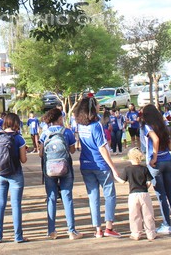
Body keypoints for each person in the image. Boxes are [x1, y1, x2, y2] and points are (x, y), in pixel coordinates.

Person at [74, 96, 122, 238]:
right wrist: (113, 167)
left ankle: (98, 229)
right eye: (97, 105)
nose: (99, 106)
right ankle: (109, 227)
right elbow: (102, 148)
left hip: (86, 164)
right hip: (100, 165)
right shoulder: (96, 126)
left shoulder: (80, 125)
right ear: (92, 108)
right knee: (109, 194)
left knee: (93, 197)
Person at [39, 107, 79, 240]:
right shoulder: (67, 132)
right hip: (65, 166)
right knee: (67, 197)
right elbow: (72, 150)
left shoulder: (45, 133)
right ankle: (71, 231)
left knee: (51, 197)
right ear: (60, 118)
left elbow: (40, 153)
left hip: (49, 168)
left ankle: (51, 231)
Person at [141, 104, 171, 234]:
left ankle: (166, 224)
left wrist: (154, 157)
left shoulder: (147, 126)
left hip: (156, 163)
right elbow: (169, 142)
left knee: (161, 194)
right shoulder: (162, 124)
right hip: (167, 160)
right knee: (170, 193)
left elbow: (155, 139)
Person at [0, 112, 28, 243]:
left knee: (0, 204)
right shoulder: (19, 138)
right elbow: (23, 160)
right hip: (15, 173)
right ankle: (18, 236)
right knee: (15, 205)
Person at [117, 148, 156, 241]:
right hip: (144, 193)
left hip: (133, 194)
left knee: (134, 215)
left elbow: (122, 181)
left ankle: (136, 233)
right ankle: (150, 233)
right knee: (148, 214)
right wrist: (145, 186)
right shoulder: (144, 168)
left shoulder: (127, 169)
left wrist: (116, 176)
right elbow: (149, 182)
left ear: (130, 158)